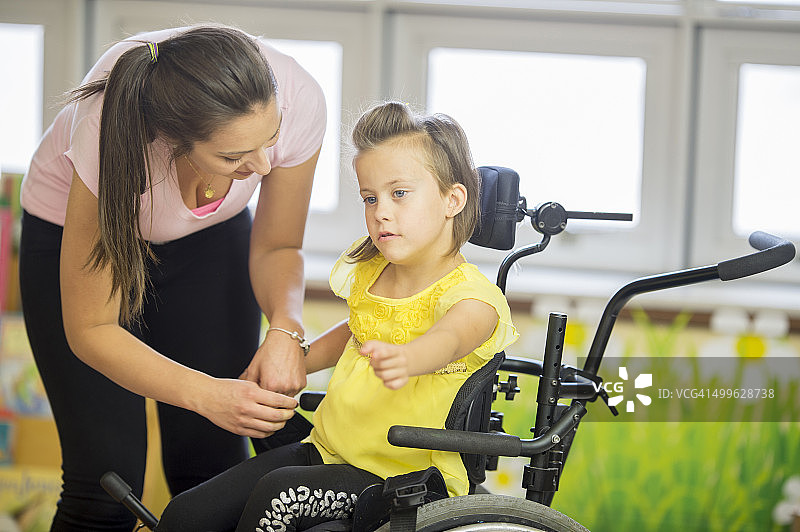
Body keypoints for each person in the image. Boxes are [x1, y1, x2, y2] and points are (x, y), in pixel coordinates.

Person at [154, 101, 519, 532]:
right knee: (186, 515)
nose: (380, 211)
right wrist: (298, 359)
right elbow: (355, 330)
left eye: (399, 193)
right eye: (370, 197)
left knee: (278, 500)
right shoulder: (373, 273)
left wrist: (410, 358)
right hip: (327, 449)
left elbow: (454, 338)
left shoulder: (473, 297)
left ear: (451, 199)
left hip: (395, 477)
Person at [19, 24, 326, 530]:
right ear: (173, 142)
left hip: (212, 242)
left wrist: (284, 330)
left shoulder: (298, 97)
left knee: (211, 469)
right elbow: (92, 329)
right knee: (105, 484)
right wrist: (207, 393)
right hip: (69, 233)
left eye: (270, 140)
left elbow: (278, 245)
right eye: (233, 158)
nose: (265, 165)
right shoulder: (113, 130)